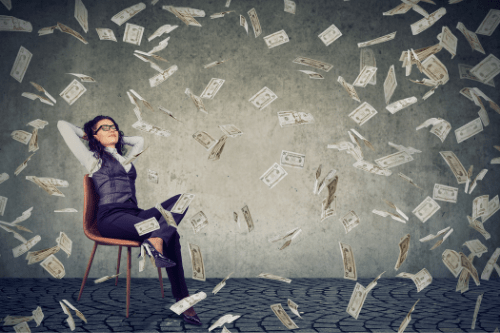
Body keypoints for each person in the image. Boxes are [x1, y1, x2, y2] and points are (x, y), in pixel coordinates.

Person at [57, 116, 202, 326]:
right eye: (104, 128)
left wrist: (117, 137)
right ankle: (183, 301)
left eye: (114, 127)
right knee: (173, 234)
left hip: (135, 215)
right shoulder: (91, 158)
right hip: (111, 218)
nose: (111, 129)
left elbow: (140, 141)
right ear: (94, 135)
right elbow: (63, 125)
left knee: (182, 200)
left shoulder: (126, 159)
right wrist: (89, 134)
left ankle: (156, 239)